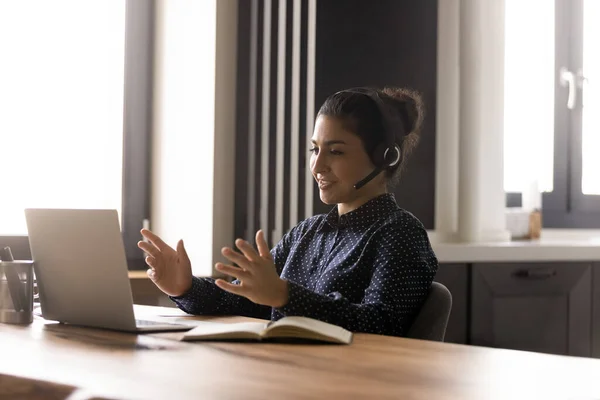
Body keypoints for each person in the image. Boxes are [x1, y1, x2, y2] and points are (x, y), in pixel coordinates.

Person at [138, 86, 438, 337]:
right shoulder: (306, 233)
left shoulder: (400, 233)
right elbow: (246, 300)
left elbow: (380, 326)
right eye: (314, 149)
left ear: (384, 157)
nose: (318, 166)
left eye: (335, 151)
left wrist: (285, 296)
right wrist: (185, 287)